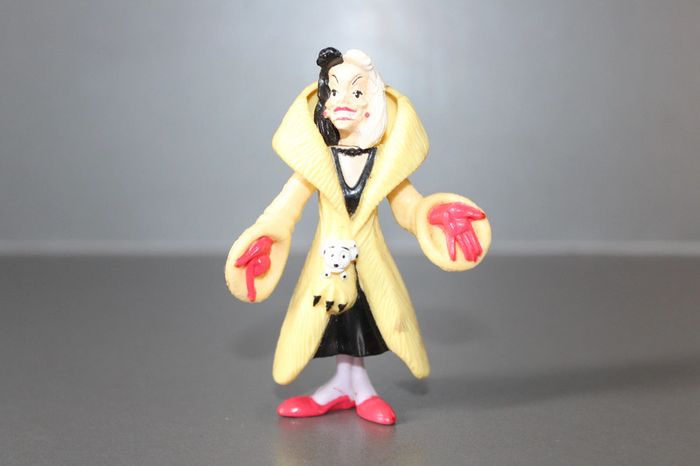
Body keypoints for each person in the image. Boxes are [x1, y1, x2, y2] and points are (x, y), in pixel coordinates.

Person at [225, 47, 491, 425]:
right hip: (327, 270)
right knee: (331, 326)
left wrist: (435, 215)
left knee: (362, 326)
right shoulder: (316, 163)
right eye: (334, 91)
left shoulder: (383, 164)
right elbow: (283, 211)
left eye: (356, 91)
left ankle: (357, 388)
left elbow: (409, 207)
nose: (342, 100)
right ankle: (343, 387)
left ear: (372, 104)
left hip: (369, 266)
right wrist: (264, 242)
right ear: (324, 105)